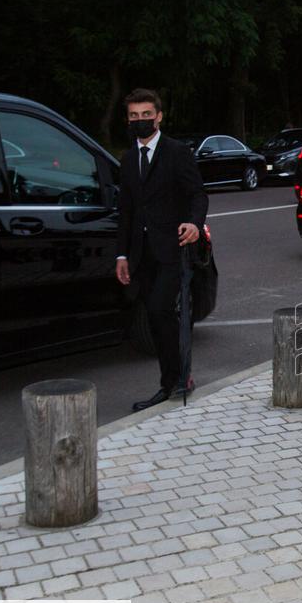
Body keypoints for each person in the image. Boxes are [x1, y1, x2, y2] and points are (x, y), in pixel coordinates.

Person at [115, 88, 208, 411]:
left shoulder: (177, 152)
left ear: (159, 116)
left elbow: (198, 194)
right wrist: (122, 255)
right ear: (127, 120)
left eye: (146, 115)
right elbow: (125, 210)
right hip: (142, 254)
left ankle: (174, 380)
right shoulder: (128, 160)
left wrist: (195, 223)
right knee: (157, 319)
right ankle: (177, 377)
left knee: (159, 310)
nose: (140, 121)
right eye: (134, 116)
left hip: (173, 249)